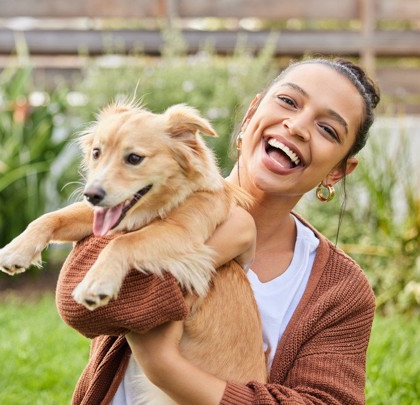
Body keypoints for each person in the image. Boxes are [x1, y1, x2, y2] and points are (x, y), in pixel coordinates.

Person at [55, 57, 380, 404]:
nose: (297, 126)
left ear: (338, 172)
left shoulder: (341, 290)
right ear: (251, 114)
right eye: (288, 101)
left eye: (328, 129)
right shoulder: (144, 200)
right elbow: (82, 307)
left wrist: (165, 367)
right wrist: (220, 246)